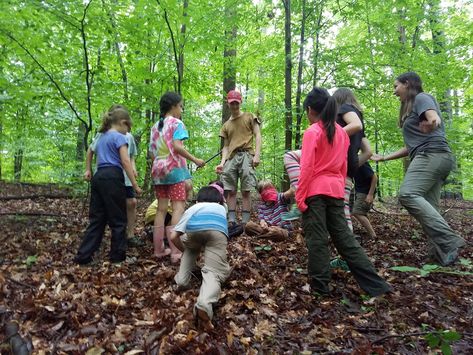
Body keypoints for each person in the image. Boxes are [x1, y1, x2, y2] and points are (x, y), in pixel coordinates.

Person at [296, 87, 392, 297]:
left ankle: (320, 288)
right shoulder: (341, 133)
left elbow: (307, 168)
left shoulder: (313, 132)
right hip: (336, 192)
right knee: (346, 239)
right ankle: (377, 286)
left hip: (315, 193)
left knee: (317, 239)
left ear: (310, 109)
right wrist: (340, 192)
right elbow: (343, 167)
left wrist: (300, 197)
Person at [372, 72, 465, 266]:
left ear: (407, 84)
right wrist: (385, 157)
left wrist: (432, 122)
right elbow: (411, 146)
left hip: (432, 155)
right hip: (433, 156)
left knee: (407, 194)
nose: (394, 91)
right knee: (430, 208)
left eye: (396, 86)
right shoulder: (410, 109)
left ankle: (449, 240)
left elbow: (433, 118)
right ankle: (441, 257)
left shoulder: (422, 98)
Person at [75, 105, 142, 265]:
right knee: (118, 219)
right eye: (128, 126)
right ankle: (117, 258)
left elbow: (90, 152)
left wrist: (88, 170)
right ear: (122, 122)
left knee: (97, 219)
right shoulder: (120, 137)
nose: (128, 130)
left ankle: (83, 257)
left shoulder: (102, 137)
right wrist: (134, 185)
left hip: (99, 177)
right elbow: (126, 161)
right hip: (113, 177)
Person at [149, 92, 205, 263]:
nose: (181, 109)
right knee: (178, 208)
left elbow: (152, 152)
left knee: (161, 209)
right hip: (175, 170)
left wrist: (159, 165)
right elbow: (177, 146)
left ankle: (158, 250)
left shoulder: (155, 127)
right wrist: (195, 160)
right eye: (180, 106)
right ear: (173, 107)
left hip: (158, 171)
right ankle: (175, 251)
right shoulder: (177, 123)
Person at [170, 184, 231, 327]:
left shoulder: (193, 208)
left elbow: (173, 237)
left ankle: (182, 280)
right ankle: (204, 303)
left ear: (198, 200)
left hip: (194, 233)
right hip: (217, 232)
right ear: (220, 201)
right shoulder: (223, 208)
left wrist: (185, 249)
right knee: (213, 272)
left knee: (191, 247)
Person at [216, 90, 262, 225]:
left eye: (236, 103)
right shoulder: (226, 125)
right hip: (231, 158)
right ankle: (231, 221)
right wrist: (222, 162)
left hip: (247, 155)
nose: (234, 106)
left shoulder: (249, 116)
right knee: (231, 190)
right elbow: (225, 147)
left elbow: (257, 135)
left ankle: (246, 223)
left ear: (240, 102)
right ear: (228, 104)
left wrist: (257, 155)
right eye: (232, 103)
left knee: (246, 190)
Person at [352, 161, 377, 239]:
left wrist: (370, 194)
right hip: (359, 191)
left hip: (365, 192)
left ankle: (373, 236)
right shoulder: (350, 163)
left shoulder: (361, 161)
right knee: (360, 212)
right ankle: (370, 233)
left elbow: (374, 177)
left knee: (357, 212)